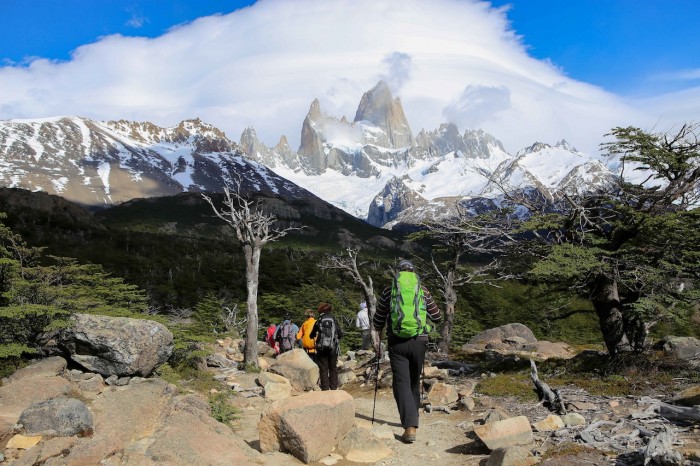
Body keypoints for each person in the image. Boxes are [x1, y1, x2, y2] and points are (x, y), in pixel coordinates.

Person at [372, 259, 441, 444]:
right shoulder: (423, 290)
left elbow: (377, 320)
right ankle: (413, 417)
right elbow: (437, 316)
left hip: (397, 343)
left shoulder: (389, 291)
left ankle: (410, 426)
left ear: (398, 273)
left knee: (401, 382)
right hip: (420, 341)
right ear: (413, 272)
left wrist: (381, 328)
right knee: (413, 379)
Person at [310, 302, 343, 390]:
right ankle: (333, 387)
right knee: (333, 367)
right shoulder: (333, 319)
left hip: (321, 348)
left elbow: (312, 334)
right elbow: (340, 334)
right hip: (332, 347)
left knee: (323, 367)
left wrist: (313, 336)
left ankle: (325, 387)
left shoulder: (319, 320)